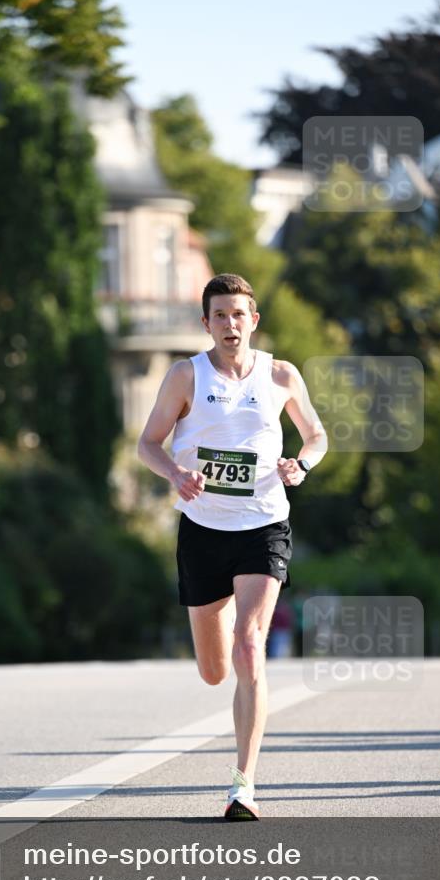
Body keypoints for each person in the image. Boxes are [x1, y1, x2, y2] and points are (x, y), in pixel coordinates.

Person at [137, 273, 327, 820]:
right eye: (219, 316)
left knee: (249, 646)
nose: (229, 324)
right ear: (206, 324)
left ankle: (243, 785)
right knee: (214, 670)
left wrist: (301, 464)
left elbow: (316, 435)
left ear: (254, 320)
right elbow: (148, 443)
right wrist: (176, 473)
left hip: (264, 524)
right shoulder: (185, 376)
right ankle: (218, 631)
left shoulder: (281, 374)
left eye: (238, 314)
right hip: (202, 530)